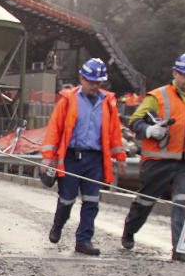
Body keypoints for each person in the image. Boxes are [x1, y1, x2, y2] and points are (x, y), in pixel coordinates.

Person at [121, 51, 185, 263]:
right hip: (158, 161)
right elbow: (134, 121)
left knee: (184, 203)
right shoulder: (157, 96)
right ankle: (129, 230)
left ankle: (180, 249)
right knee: (145, 201)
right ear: (175, 73)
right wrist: (150, 131)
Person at [41, 58, 127, 256]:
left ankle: (84, 241)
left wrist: (120, 157)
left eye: (98, 83)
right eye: (91, 82)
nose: (95, 86)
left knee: (91, 200)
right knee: (67, 198)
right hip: (71, 157)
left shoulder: (108, 103)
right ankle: (58, 225)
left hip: (95, 158)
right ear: (82, 79)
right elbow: (55, 129)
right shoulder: (68, 100)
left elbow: (114, 132)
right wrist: (48, 157)